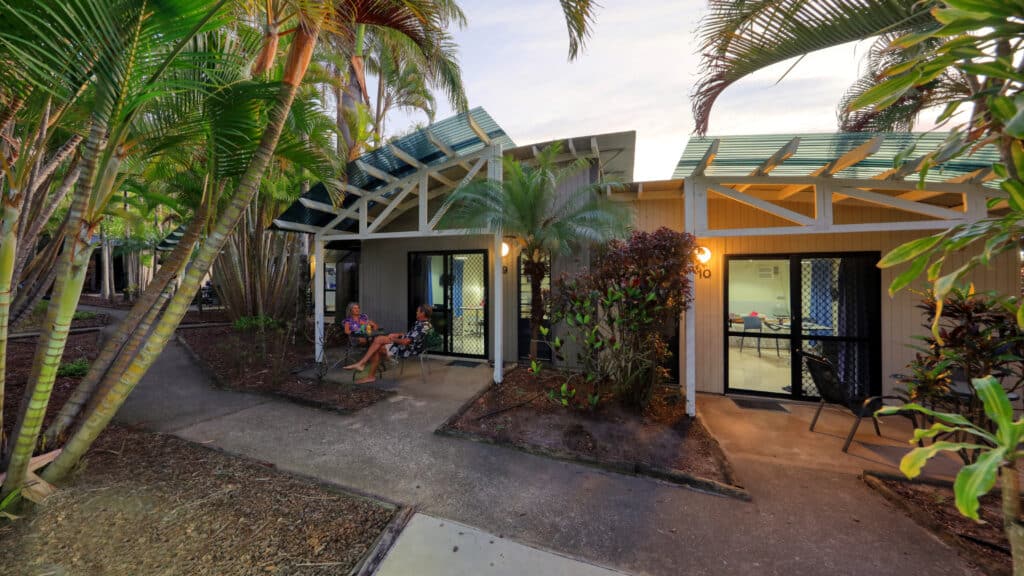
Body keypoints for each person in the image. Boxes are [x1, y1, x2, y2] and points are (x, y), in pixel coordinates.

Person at [344, 304, 432, 384]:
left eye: (418, 311)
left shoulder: (422, 326)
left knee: (378, 341)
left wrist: (393, 338)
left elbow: (407, 342)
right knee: (378, 345)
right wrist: (398, 334)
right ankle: (373, 366)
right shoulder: (422, 323)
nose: (416, 312)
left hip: (409, 348)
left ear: (422, 313)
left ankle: (364, 366)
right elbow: (411, 336)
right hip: (410, 345)